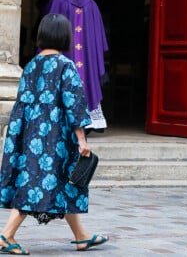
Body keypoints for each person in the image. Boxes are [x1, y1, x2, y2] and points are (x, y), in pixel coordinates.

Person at [0, 14, 109, 254]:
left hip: (30, 135)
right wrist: (82, 140)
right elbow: (75, 105)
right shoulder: (65, 66)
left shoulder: (31, 65)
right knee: (37, 184)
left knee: (63, 182)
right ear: (65, 36)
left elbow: (22, 104)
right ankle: (6, 235)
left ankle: (81, 236)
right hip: (56, 138)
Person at [44, 0, 109, 134]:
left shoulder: (56, 3)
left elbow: (46, 34)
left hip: (62, 59)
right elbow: (100, 40)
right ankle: (86, 125)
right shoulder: (92, 5)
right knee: (86, 78)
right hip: (87, 62)